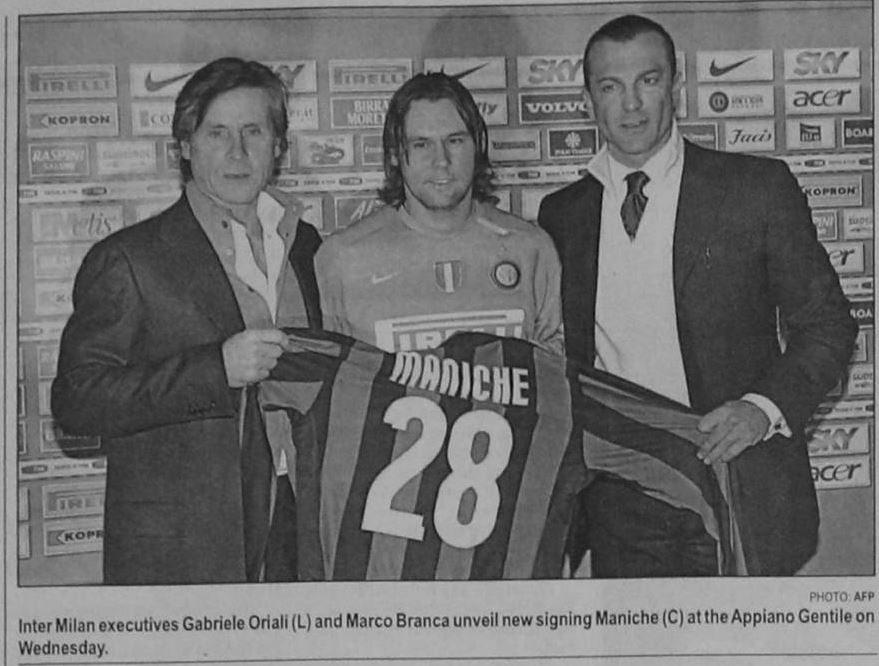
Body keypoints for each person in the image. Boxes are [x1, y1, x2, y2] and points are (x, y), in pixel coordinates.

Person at [538, 15, 857, 577]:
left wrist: (762, 409)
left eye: (648, 80)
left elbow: (828, 326)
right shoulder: (562, 214)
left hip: (737, 488)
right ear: (589, 101)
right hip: (619, 505)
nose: (631, 104)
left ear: (676, 87)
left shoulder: (756, 188)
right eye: (611, 86)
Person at [51, 57, 322, 584]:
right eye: (217, 133)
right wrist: (213, 370)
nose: (237, 152)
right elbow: (76, 401)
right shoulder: (130, 258)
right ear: (185, 146)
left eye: (253, 131)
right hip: (188, 550)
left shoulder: (309, 247)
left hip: (302, 529)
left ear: (278, 147)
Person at [315, 72, 563, 355]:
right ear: (394, 154)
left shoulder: (531, 249)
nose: (441, 161)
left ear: (477, 146)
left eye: (455, 141)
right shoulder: (343, 259)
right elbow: (332, 376)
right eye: (421, 144)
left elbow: (553, 374)